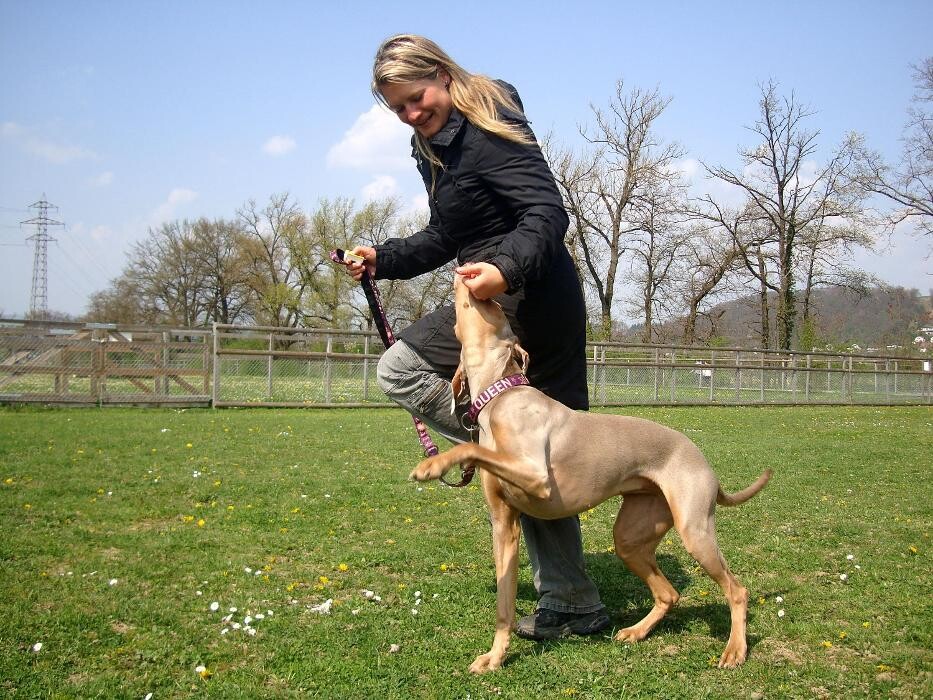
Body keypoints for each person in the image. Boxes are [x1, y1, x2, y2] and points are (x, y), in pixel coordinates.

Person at [345, 34, 609, 640]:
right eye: (398, 109)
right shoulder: (430, 145)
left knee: (525, 448)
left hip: (534, 298)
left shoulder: (488, 121)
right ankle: (516, 454)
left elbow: (547, 213)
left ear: (441, 74)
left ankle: (573, 605)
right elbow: (446, 235)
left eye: (417, 99)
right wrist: (382, 259)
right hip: (484, 293)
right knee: (404, 370)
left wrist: (505, 269)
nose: (411, 115)